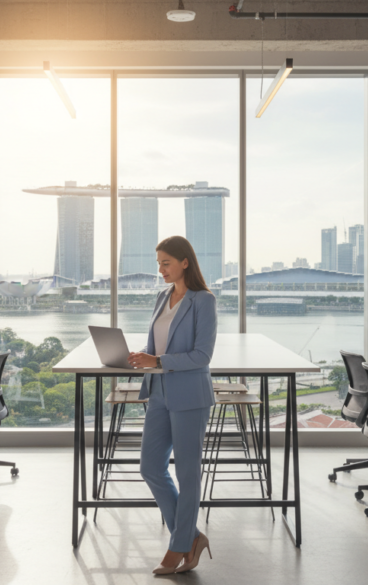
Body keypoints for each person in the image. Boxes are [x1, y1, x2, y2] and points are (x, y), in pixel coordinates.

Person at [128, 235, 216, 575]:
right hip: (160, 390)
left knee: (187, 474)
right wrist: (142, 358)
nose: (161, 269)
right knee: (150, 466)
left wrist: (158, 359)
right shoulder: (162, 297)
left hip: (190, 394)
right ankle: (192, 537)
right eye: (158, 263)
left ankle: (179, 545)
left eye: (166, 262)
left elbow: (202, 356)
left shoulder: (203, 301)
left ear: (184, 262)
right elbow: (158, 344)